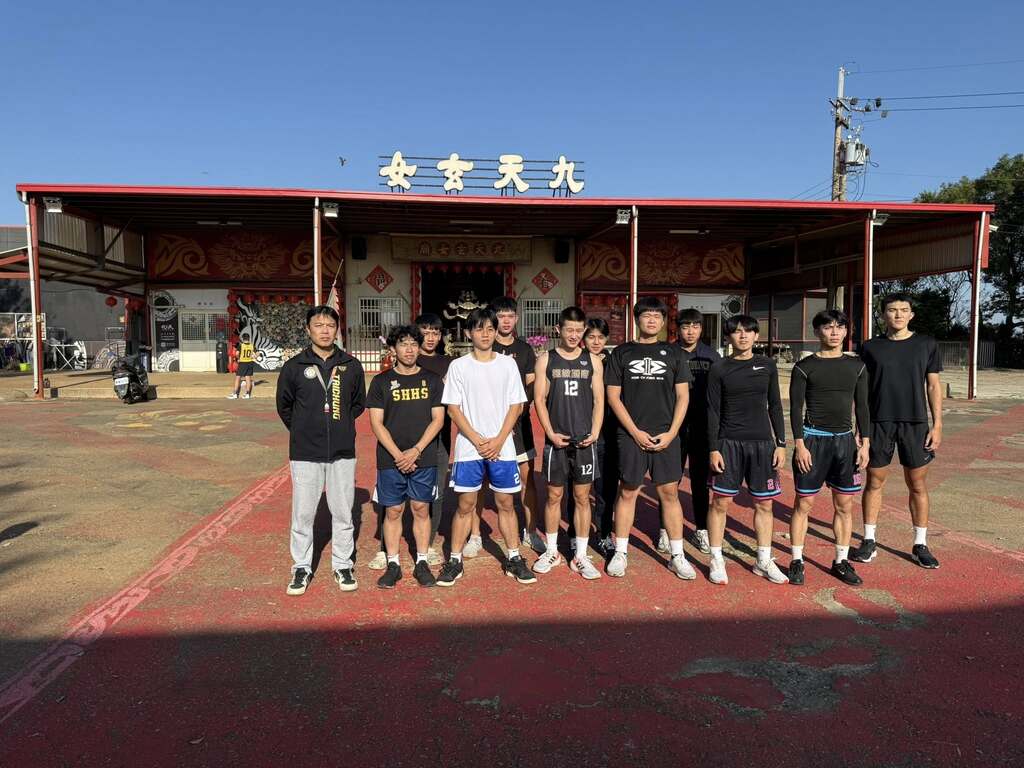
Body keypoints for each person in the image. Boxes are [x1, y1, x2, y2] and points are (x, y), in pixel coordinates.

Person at [436, 307, 536, 587]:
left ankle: (514, 558)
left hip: (502, 447)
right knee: (465, 504)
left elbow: (516, 405)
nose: (485, 334)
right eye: (479, 329)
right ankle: (454, 560)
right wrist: (478, 439)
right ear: (469, 333)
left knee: (506, 503)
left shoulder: (508, 365)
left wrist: (499, 439)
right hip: (470, 448)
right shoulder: (459, 366)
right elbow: (453, 409)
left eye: (490, 329)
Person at [276, 306, 366, 596]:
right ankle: (301, 567)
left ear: (337, 329)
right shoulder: (294, 366)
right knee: (303, 514)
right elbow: (284, 406)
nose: (325, 330)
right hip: (305, 452)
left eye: (330, 325)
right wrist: (304, 429)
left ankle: (342, 565)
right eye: (318, 325)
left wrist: (339, 426)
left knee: (343, 513)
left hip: (342, 451)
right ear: (308, 329)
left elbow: (357, 404)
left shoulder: (351, 365)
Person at [850, 293, 944, 569]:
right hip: (879, 422)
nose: (898, 314)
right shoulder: (871, 347)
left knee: (917, 484)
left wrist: (937, 424)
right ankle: (869, 540)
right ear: (883, 315)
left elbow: (933, 386)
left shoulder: (926, 344)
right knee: (874, 481)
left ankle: (920, 544)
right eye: (892, 310)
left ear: (912, 315)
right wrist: (860, 427)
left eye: (904, 310)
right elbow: (861, 391)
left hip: (915, 423)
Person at [605, 297, 696, 580]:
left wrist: (672, 433)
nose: (652, 320)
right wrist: (634, 432)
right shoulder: (621, 353)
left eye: (657, 316)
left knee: (669, 494)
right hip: (630, 435)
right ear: (636, 320)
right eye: (646, 315)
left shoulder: (675, 354)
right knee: (628, 490)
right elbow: (613, 397)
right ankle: (621, 552)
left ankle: (677, 556)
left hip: (666, 436)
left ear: (664, 321)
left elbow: (683, 396)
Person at [788, 309, 869, 586]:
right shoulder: (804, 367)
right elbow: (795, 408)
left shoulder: (857, 366)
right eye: (828, 327)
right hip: (813, 441)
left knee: (844, 505)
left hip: (845, 442)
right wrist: (800, 445)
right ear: (817, 332)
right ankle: (797, 560)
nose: (834, 332)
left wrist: (865, 443)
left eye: (839, 327)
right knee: (804, 503)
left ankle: (841, 561)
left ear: (846, 331)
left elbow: (863, 407)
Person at [706, 315, 788, 586]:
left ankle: (763, 561)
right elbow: (712, 410)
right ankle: (716, 559)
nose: (742, 336)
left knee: (764, 504)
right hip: (728, 443)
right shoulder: (719, 368)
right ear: (728, 337)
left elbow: (775, 405)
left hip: (762, 444)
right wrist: (714, 448)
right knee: (720, 502)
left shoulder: (768, 365)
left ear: (756, 336)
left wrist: (781, 444)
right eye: (737, 331)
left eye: (748, 331)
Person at [367, 313, 452, 571]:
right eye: (403, 344)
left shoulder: (434, 378)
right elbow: (376, 423)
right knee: (392, 509)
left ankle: (423, 558)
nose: (409, 349)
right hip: (391, 457)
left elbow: (438, 419)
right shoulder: (381, 382)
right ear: (393, 349)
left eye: (414, 344)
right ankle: (391, 559)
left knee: (422, 506)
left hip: (425, 454)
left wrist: (415, 451)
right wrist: (398, 454)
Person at [532, 306, 605, 580]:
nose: (574, 335)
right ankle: (552, 551)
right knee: (554, 496)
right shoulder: (546, 359)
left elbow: (599, 400)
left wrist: (595, 431)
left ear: (584, 330)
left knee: (582, 498)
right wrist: (550, 433)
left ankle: (581, 556)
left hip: (585, 441)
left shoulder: (593, 360)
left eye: (578, 330)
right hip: (557, 441)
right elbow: (539, 399)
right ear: (558, 330)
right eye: (569, 330)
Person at [655, 308, 721, 556]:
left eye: (695, 326)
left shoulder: (712, 356)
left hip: (702, 427)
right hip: (673, 427)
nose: (690, 331)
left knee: (700, 482)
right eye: (685, 326)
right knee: (669, 481)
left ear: (701, 329)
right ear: (678, 329)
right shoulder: (668, 353)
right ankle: (665, 529)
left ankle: (701, 529)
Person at [490, 296, 544, 553]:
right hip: (490, 424)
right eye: (501, 316)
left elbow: (531, 384)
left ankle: (531, 531)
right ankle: (476, 535)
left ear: (517, 319)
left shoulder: (524, 350)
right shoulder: (486, 346)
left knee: (527, 478)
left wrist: (517, 412)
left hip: (520, 424)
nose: (506, 320)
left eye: (510, 316)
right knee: (482, 481)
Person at [566, 318, 617, 556]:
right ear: (584, 338)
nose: (596, 342)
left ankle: (604, 534)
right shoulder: (574, 361)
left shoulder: (614, 362)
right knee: (576, 490)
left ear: (607, 339)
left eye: (601, 337)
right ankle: (574, 534)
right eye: (591, 337)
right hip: (579, 434)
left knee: (605, 490)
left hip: (608, 435)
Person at [227, 332, 256, 399]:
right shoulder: (252, 345)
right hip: (250, 363)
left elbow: (237, 354)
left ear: (243, 338)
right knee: (248, 378)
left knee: (238, 378)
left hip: (243, 363)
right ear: (249, 338)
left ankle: (235, 393)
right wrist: (254, 357)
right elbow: (257, 353)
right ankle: (247, 394)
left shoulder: (241, 346)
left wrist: (238, 358)